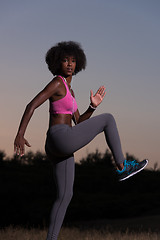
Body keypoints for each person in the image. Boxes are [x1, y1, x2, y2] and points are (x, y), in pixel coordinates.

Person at [14, 41, 148, 240]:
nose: (69, 64)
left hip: (60, 145)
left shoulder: (71, 92)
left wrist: (92, 107)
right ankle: (122, 166)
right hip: (60, 137)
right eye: (65, 60)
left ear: (78, 64)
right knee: (109, 119)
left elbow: (79, 122)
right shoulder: (57, 82)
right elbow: (32, 105)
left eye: (73, 60)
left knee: (65, 196)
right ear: (57, 62)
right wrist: (20, 133)